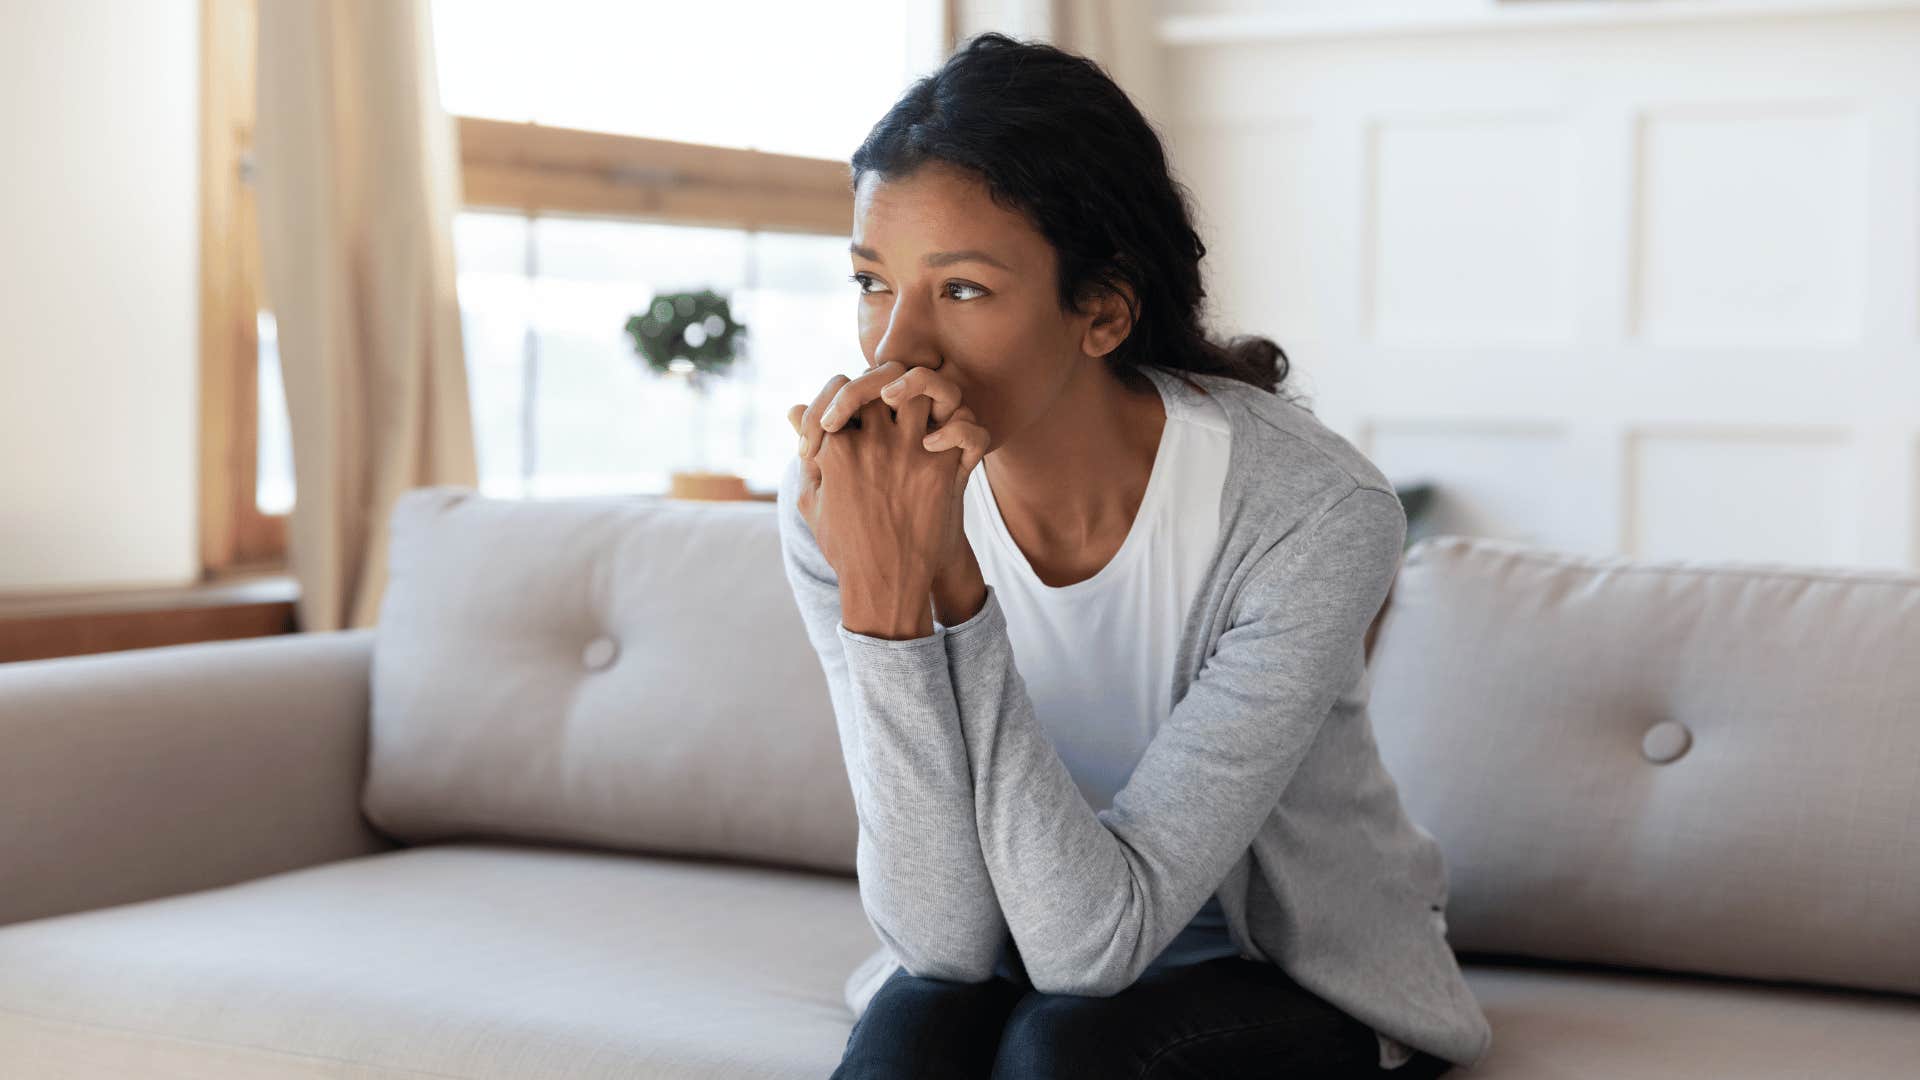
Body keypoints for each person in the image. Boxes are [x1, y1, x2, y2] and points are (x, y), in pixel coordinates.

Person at [775, 31, 1491, 1079]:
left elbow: (1086, 952)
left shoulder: (1308, 514)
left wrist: (954, 598)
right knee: (908, 1032)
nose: (894, 352)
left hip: (1285, 977)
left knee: (1064, 1047)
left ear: (1101, 311)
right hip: (1024, 963)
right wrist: (886, 600)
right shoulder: (841, 504)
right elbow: (938, 946)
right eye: (873, 282)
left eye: (963, 290)